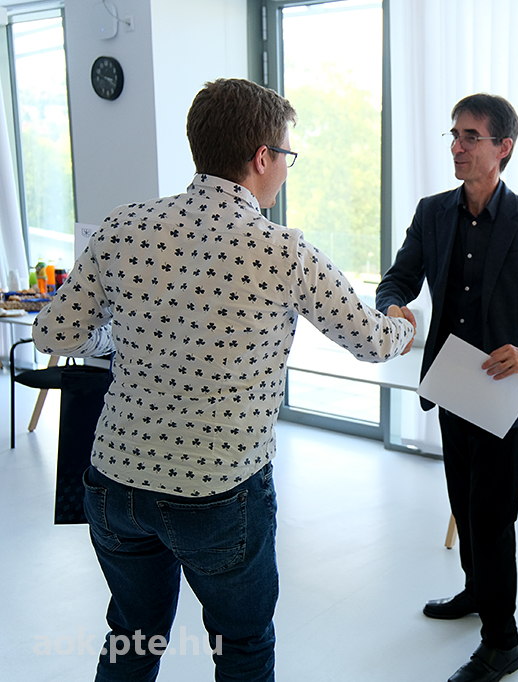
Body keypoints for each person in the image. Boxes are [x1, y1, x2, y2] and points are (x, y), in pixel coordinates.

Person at [32, 78, 415, 682]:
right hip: (219, 489)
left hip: (117, 482)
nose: (286, 168)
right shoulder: (284, 251)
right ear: (262, 157)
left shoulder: (122, 228)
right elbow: (371, 342)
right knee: (242, 645)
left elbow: (54, 334)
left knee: (132, 635)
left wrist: (116, 342)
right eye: (287, 155)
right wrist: (403, 326)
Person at [375, 93, 518, 682]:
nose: (457, 146)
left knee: (493, 521)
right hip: (451, 387)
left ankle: (504, 643)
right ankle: (477, 591)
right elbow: (398, 278)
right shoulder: (432, 213)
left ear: (503, 148)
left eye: (470, 136)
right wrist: (393, 305)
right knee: (464, 504)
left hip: (503, 397)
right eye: (454, 135)